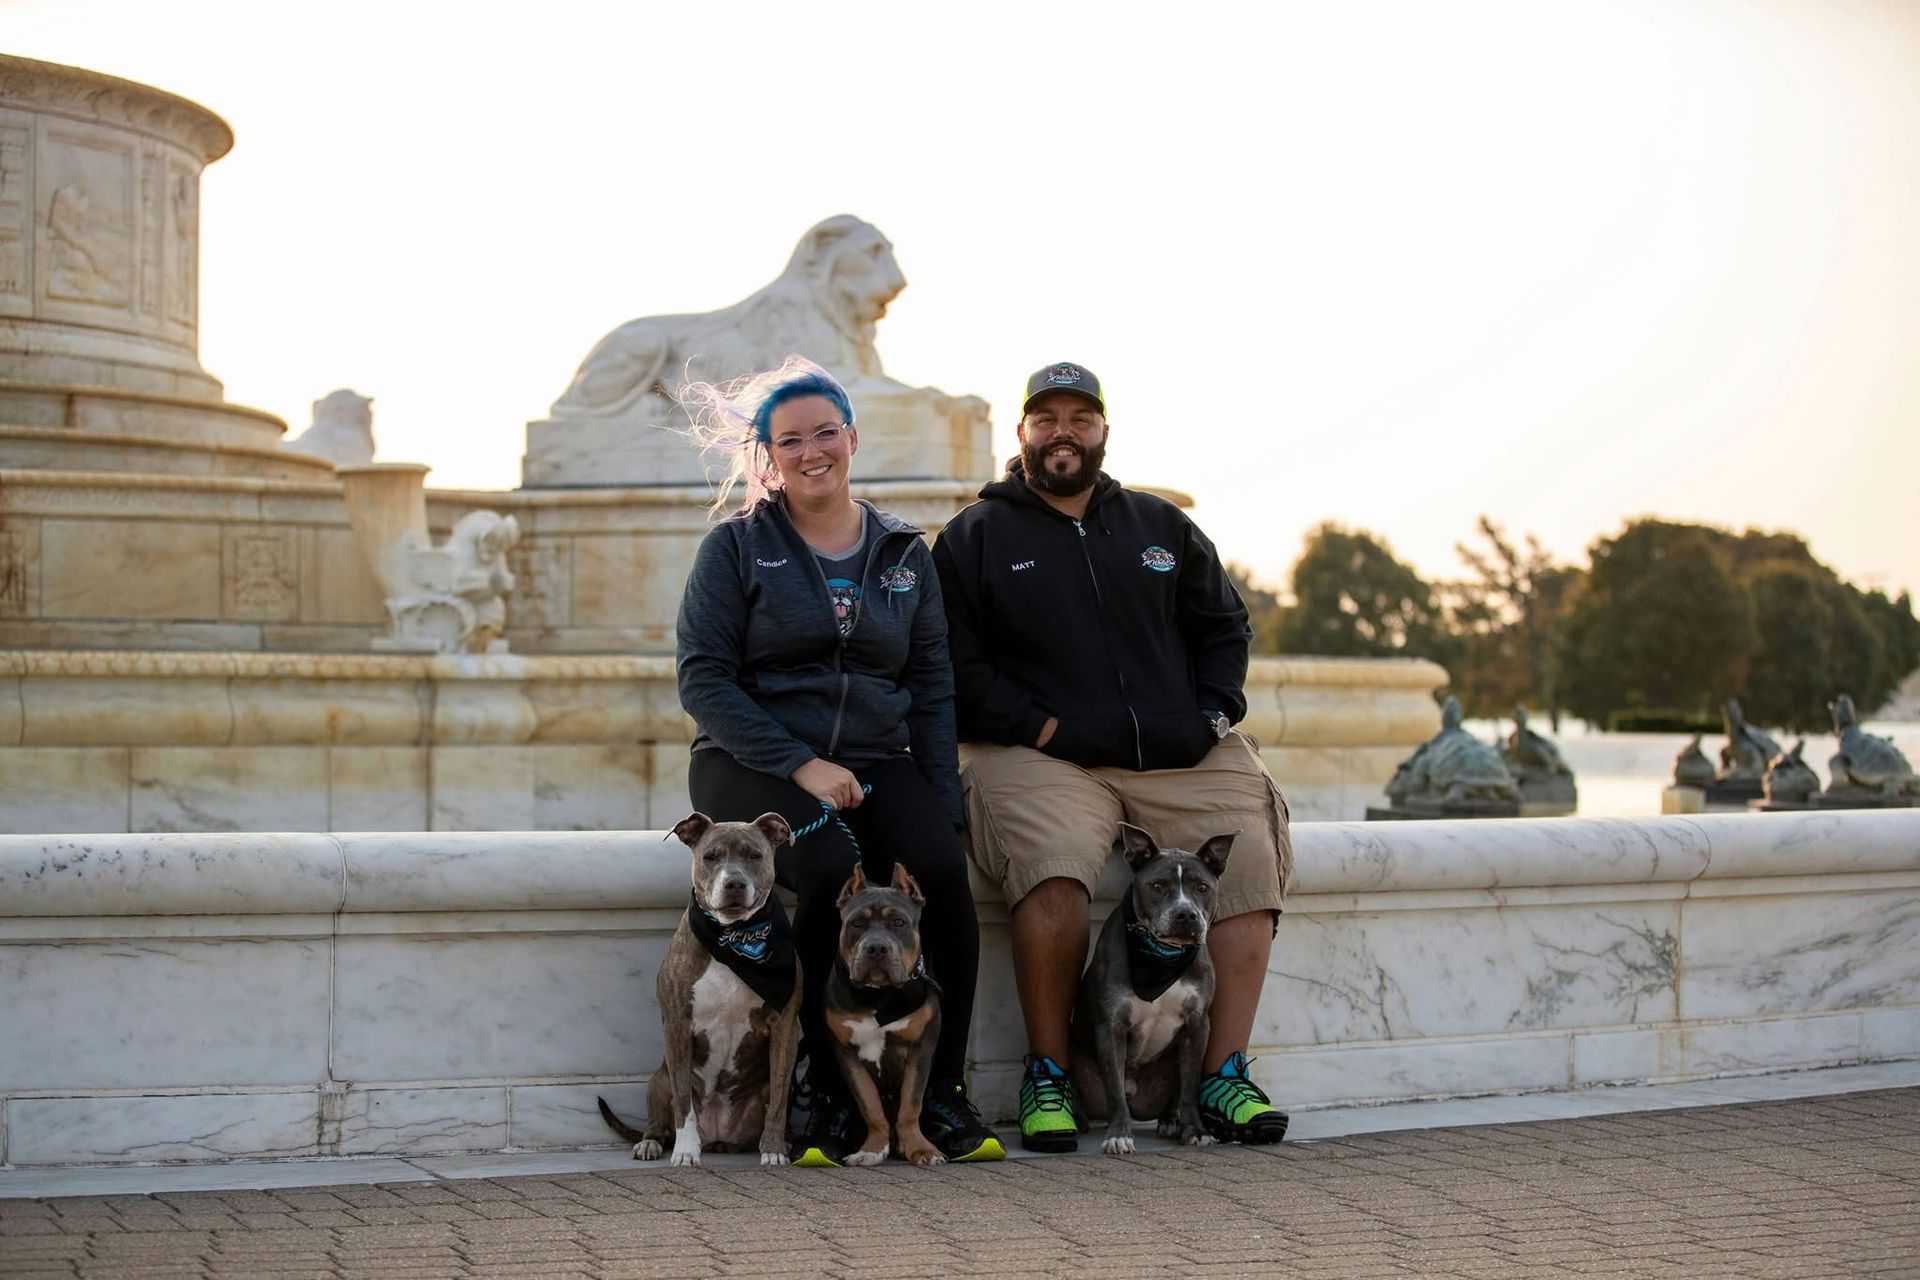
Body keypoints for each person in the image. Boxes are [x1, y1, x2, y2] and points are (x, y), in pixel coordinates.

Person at [931, 360, 1293, 1152]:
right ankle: (1050, 1076)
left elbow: (1223, 625)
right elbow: (953, 665)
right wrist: (1048, 728)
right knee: (1055, 865)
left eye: (1080, 418)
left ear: (1102, 431)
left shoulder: (1161, 527)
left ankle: (1224, 1074)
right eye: (1046, 418)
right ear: (1022, 432)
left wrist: (1213, 711)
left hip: (1176, 750)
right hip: (1041, 753)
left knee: (1251, 858)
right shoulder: (974, 537)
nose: (1063, 432)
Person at [674, 356, 1004, 1166]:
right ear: (768, 456)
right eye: (791, 440)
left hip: (873, 756)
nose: (812, 450)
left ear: (852, 437)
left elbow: (931, 686)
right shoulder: (736, 550)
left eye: (826, 432)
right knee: (822, 860)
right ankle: (822, 1091)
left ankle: (945, 1093)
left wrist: (940, 805)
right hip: (746, 760)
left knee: (938, 869)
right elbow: (703, 679)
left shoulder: (902, 551)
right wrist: (799, 764)